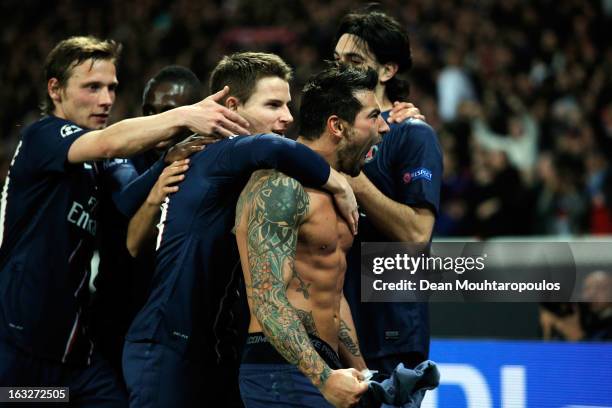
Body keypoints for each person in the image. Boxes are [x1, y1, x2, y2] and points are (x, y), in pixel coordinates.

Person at [0, 35, 249, 405]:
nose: (106, 99)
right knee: (28, 400)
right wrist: (184, 114)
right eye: (92, 87)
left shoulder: (100, 163)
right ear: (55, 89)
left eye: (112, 88)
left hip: (74, 347)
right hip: (21, 341)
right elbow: (108, 143)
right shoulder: (42, 137)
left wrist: (170, 159)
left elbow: (127, 196)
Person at [122, 52, 358, 408]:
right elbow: (272, 147)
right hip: (167, 347)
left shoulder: (230, 167)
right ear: (232, 106)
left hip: (204, 348)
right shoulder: (219, 152)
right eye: (273, 104)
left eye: (288, 105)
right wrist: (336, 182)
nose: (287, 117)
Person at [236, 64, 388, 408]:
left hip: (322, 365)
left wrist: (363, 374)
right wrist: (322, 377)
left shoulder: (338, 190)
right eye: (374, 116)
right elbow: (266, 296)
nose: (384, 127)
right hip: (280, 367)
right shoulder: (279, 186)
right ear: (337, 126)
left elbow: (331, 290)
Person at [334, 9, 443, 383]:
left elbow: (417, 235)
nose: (341, 70)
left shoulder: (412, 135)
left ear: (387, 71)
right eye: (337, 61)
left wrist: (354, 178)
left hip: (389, 329)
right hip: (335, 326)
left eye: (355, 61)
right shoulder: (331, 134)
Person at [90, 65, 204, 383]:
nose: (157, 121)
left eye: (169, 113)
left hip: (177, 328)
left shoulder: (209, 164)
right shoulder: (120, 156)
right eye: (150, 111)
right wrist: (167, 162)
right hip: (117, 316)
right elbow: (127, 199)